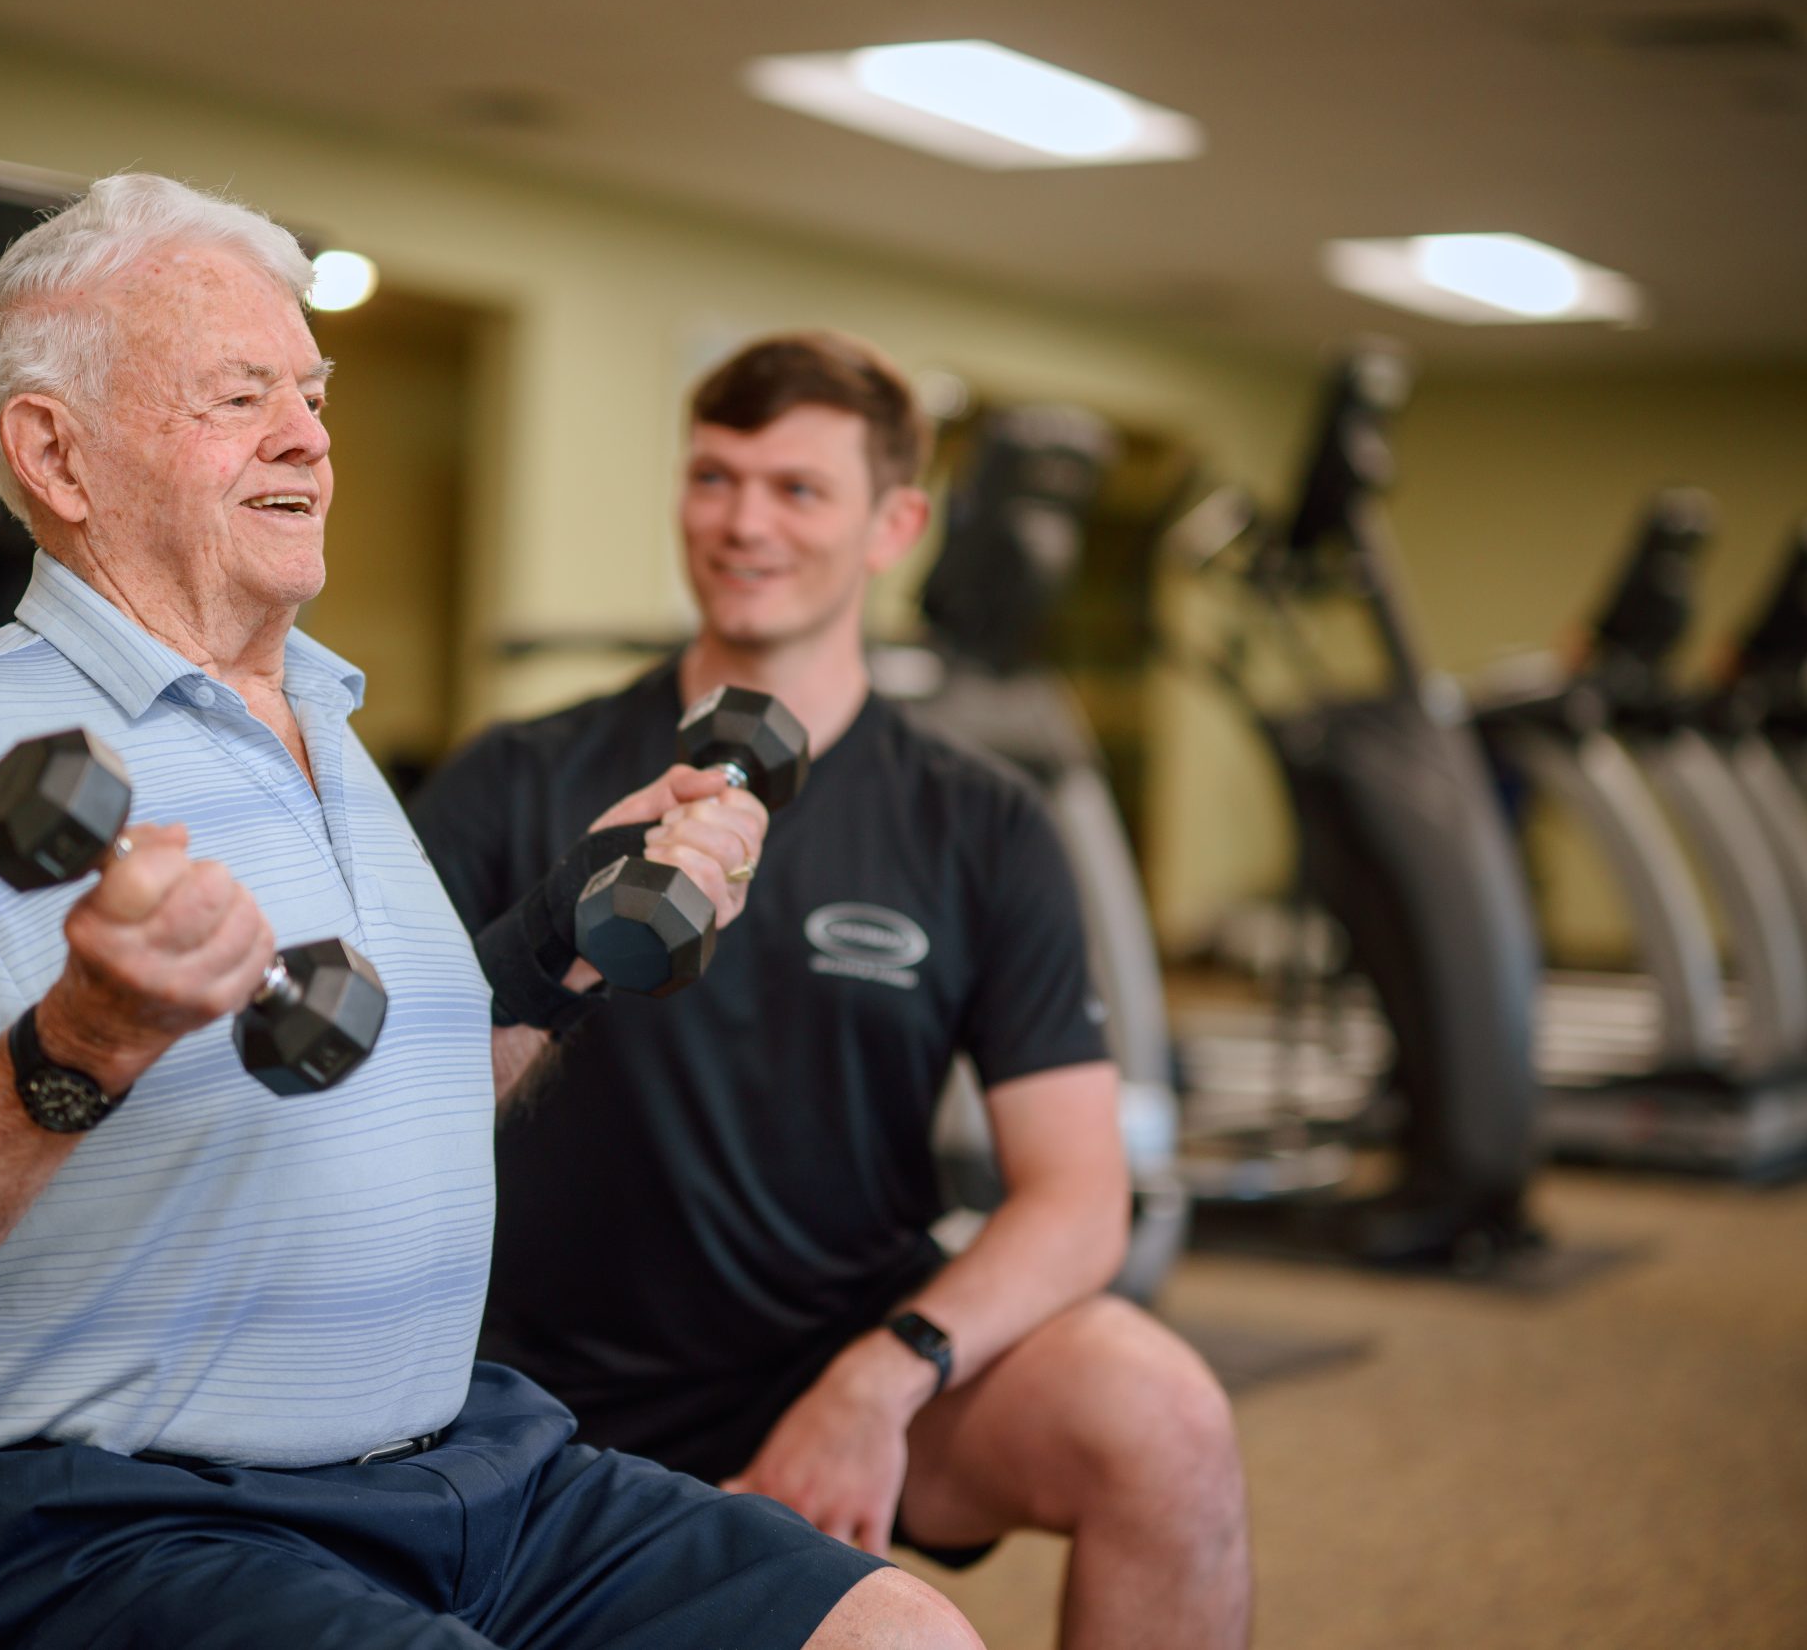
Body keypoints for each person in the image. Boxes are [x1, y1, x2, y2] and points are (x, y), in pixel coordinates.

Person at [0, 178, 979, 1650]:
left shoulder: (327, 725)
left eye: (311, 393)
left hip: (465, 1472)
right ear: (55, 454)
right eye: (240, 396)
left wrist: (556, 941)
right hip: (113, 1519)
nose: (308, 436)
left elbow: (395, 1098)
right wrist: (84, 1040)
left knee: (901, 1637)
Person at [412, 333, 1253, 1648]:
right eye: (714, 478)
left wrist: (884, 1375)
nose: (744, 523)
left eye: (797, 488)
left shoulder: (982, 824)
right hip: (542, 1376)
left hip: (843, 1341)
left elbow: (1079, 1197)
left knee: (1165, 1417)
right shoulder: (519, 776)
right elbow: (386, 1094)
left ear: (894, 524)